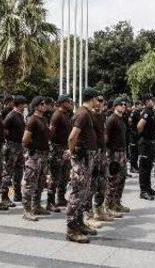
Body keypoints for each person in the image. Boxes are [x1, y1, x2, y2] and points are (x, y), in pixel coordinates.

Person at [66, 87, 102, 244]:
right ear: (92, 98)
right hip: (82, 159)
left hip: (88, 158)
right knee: (77, 194)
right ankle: (72, 230)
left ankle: (79, 224)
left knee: (84, 192)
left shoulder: (88, 113)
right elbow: (72, 136)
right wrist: (72, 153)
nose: (98, 102)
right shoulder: (82, 114)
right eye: (97, 99)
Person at [21, 96, 51, 221]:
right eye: (42, 104)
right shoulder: (32, 120)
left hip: (43, 155)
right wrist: (31, 150)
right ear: (37, 106)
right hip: (34, 155)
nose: (45, 105)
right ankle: (27, 210)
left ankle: (36, 206)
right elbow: (25, 139)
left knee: (40, 182)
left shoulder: (43, 119)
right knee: (30, 183)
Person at [86, 95, 115, 225]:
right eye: (98, 100)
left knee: (102, 183)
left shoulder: (102, 115)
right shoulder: (89, 116)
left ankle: (99, 210)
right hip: (92, 153)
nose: (101, 103)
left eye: (103, 101)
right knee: (90, 184)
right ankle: (88, 214)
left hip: (102, 153)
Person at [104, 97, 130, 216]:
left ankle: (116, 203)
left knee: (122, 179)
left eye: (125, 104)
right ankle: (108, 206)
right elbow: (106, 137)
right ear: (115, 106)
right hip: (113, 154)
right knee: (113, 180)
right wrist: (106, 153)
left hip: (122, 152)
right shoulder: (111, 119)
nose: (124, 106)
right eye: (121, 104)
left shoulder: (121, 119)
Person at [47, 94, 73, 212]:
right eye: (68, 101)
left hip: (65, 148)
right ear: (63, 103)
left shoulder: (66, 115)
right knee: (55, 176)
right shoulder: (57, 115)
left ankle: (61, 198)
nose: (70, 103)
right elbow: (50, 133)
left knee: (65, 175)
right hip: (57, 149)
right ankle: (50, 202)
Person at [1, 95, 27, 205]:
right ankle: (4, 195)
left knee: (19, 171)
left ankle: (17, 194)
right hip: (12, 146)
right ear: (19, 104)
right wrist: (9, 139)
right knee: (8, 172)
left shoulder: (20, 115)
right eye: (24, 104)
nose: (25, 106)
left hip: (19, 146)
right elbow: (3, 130)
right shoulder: (11, 116)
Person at [136, 95, 155, 200]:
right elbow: (139, 126)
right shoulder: (146, 112)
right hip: (145, 143)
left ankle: (148, 188)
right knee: (144, 168)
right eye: (151, 100)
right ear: (146, 102)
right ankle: (143, 191)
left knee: (149, 166)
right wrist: (144, 136)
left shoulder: (151, 111)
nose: (154, 101)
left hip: (150, 142)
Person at [127, 101, 141, 174]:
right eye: (139, 105)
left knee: (136, 152)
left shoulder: (138, 113)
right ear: (136, 105)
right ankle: (132, 167)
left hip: (137, 135)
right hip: (133, 135)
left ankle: (136, 166)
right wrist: (132, 130)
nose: (140, 106)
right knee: (133, 153)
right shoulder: (134, 113)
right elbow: (130, 121)